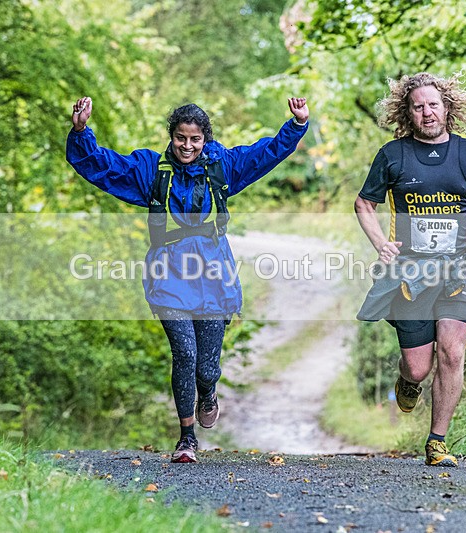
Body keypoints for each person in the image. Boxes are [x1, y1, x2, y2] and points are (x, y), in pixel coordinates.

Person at [67, 96, 309, 463]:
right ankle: (187, 437)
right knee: (184, 353)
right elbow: (104, 165)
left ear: (205, 140)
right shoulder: (152, 168)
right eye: (181, 138)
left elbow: (265, 154)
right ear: (172, 136)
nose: (187, 146)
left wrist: (296, 125)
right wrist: (82, 131)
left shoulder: (222, 165)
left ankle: (208, 392)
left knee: (206, 367)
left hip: (213, 275)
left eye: (195, 140)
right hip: (168, 276)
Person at [354, 72, 466, 467]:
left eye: (433, 104)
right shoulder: (393, 155)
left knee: (451, 353)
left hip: (457, 271)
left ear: (447, 107)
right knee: (419, 368)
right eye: (418, 106)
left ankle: (437, 442)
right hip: (410, 277)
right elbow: (364, 204)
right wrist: (380, 244)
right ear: (408, 113)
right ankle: (407, 379)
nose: (427, 112)